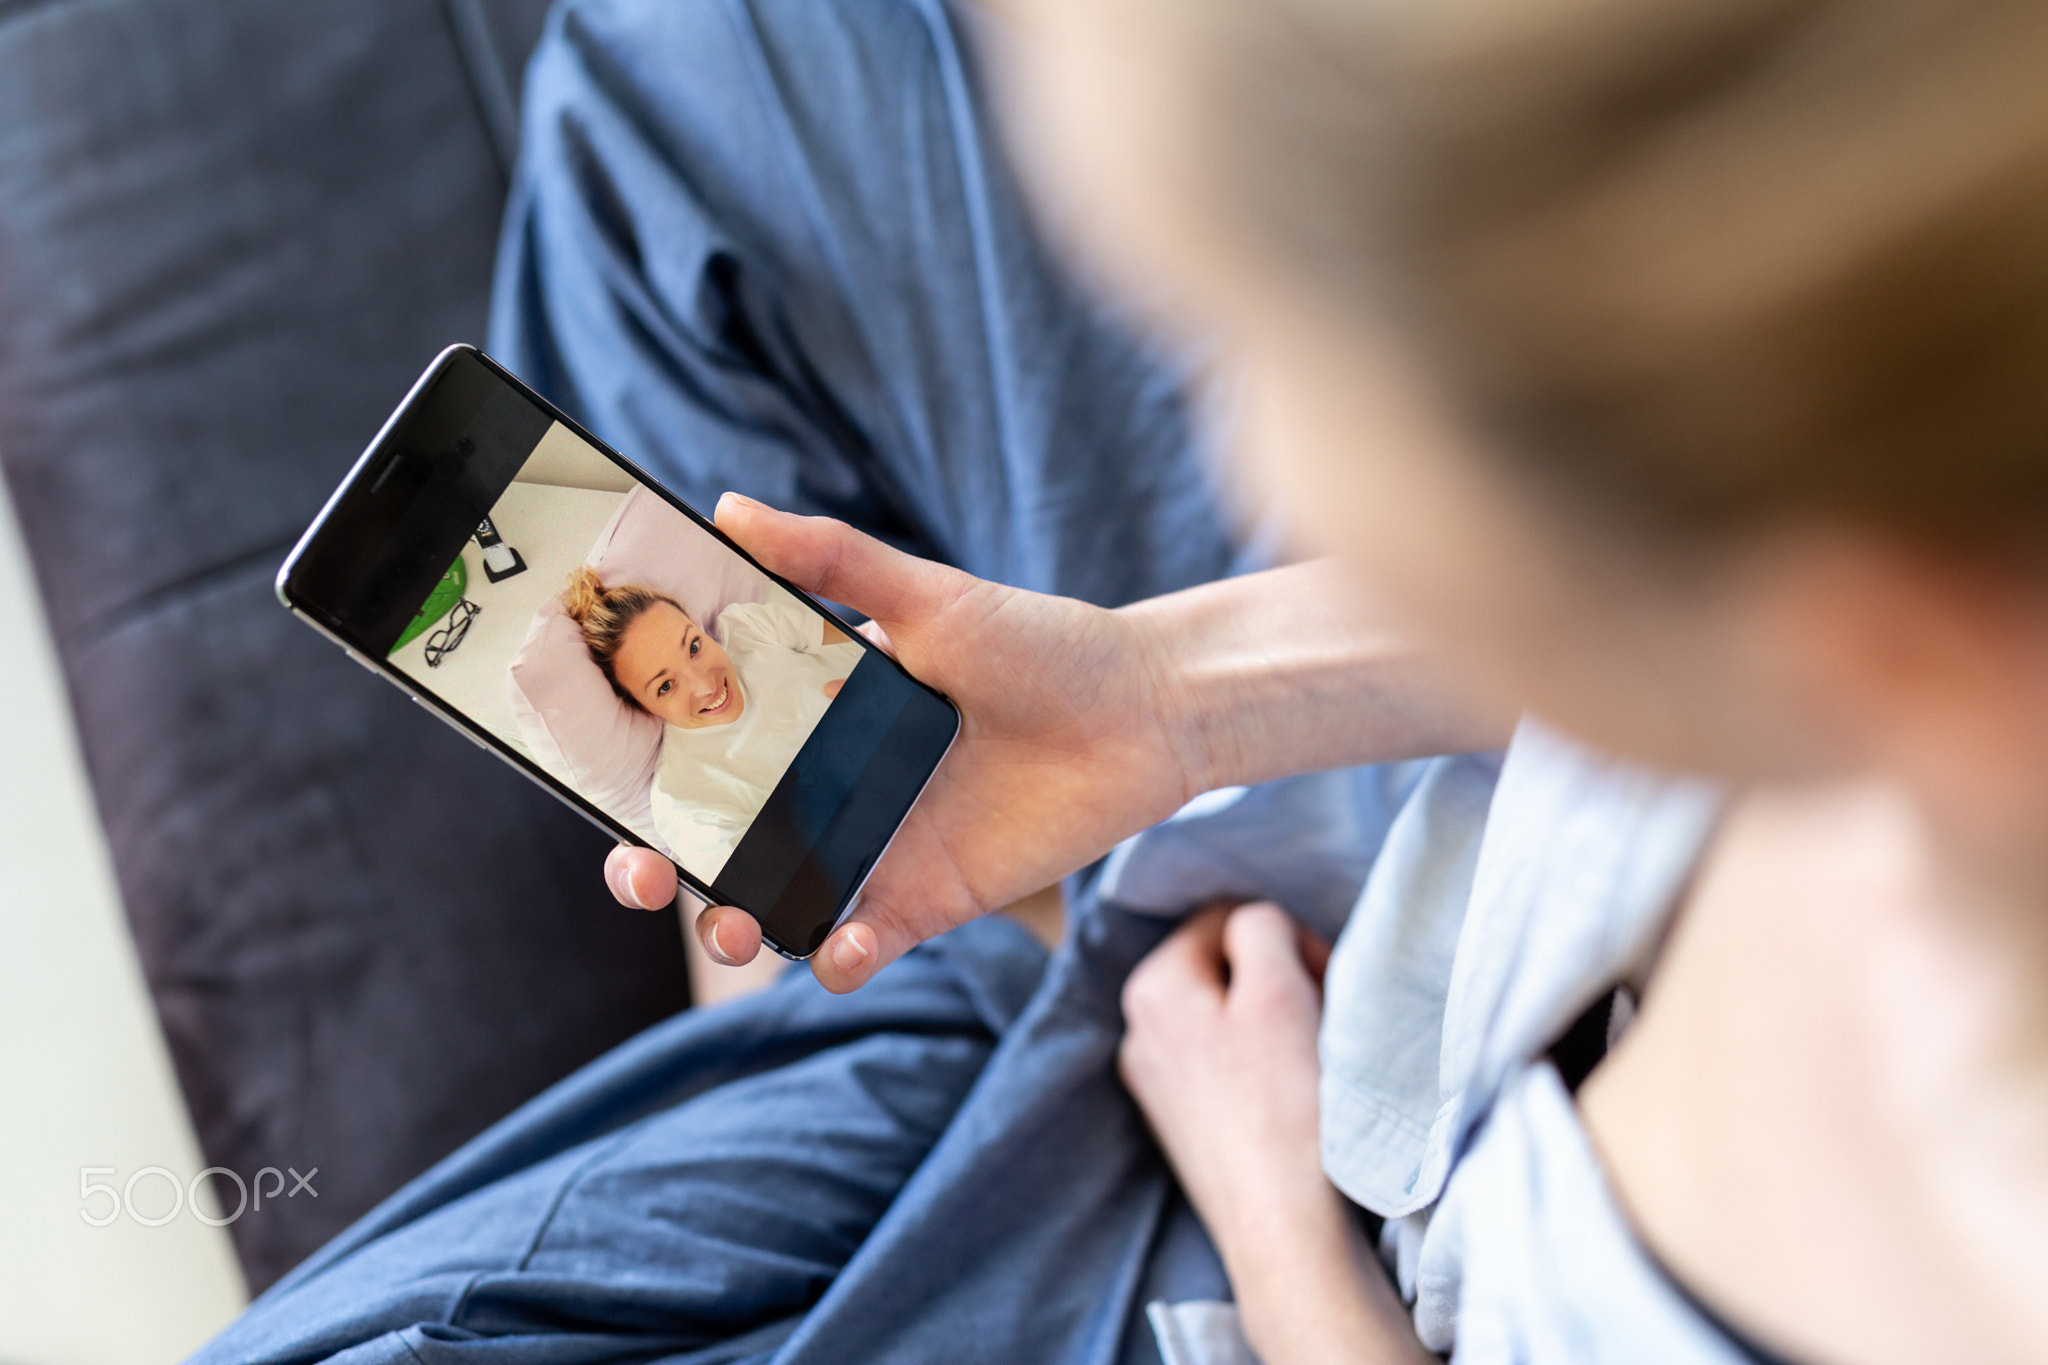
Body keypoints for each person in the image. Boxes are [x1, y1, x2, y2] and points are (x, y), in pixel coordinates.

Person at [195, 2, 2048, 1364]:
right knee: (687, 60)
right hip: (1217, 912)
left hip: (1254, 1137)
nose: (1245, 475)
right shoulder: (1893, 657)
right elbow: (1671, 606)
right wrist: (1167, 696)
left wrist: (1276, 1237)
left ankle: (832, 1029)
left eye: (1269, 355)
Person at [559, 566, 862, 879]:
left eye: (693, 647)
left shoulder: (749, 627)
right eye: (665, 686)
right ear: (643, 707)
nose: (706, 685)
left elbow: (865, 641)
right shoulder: (681, 799)